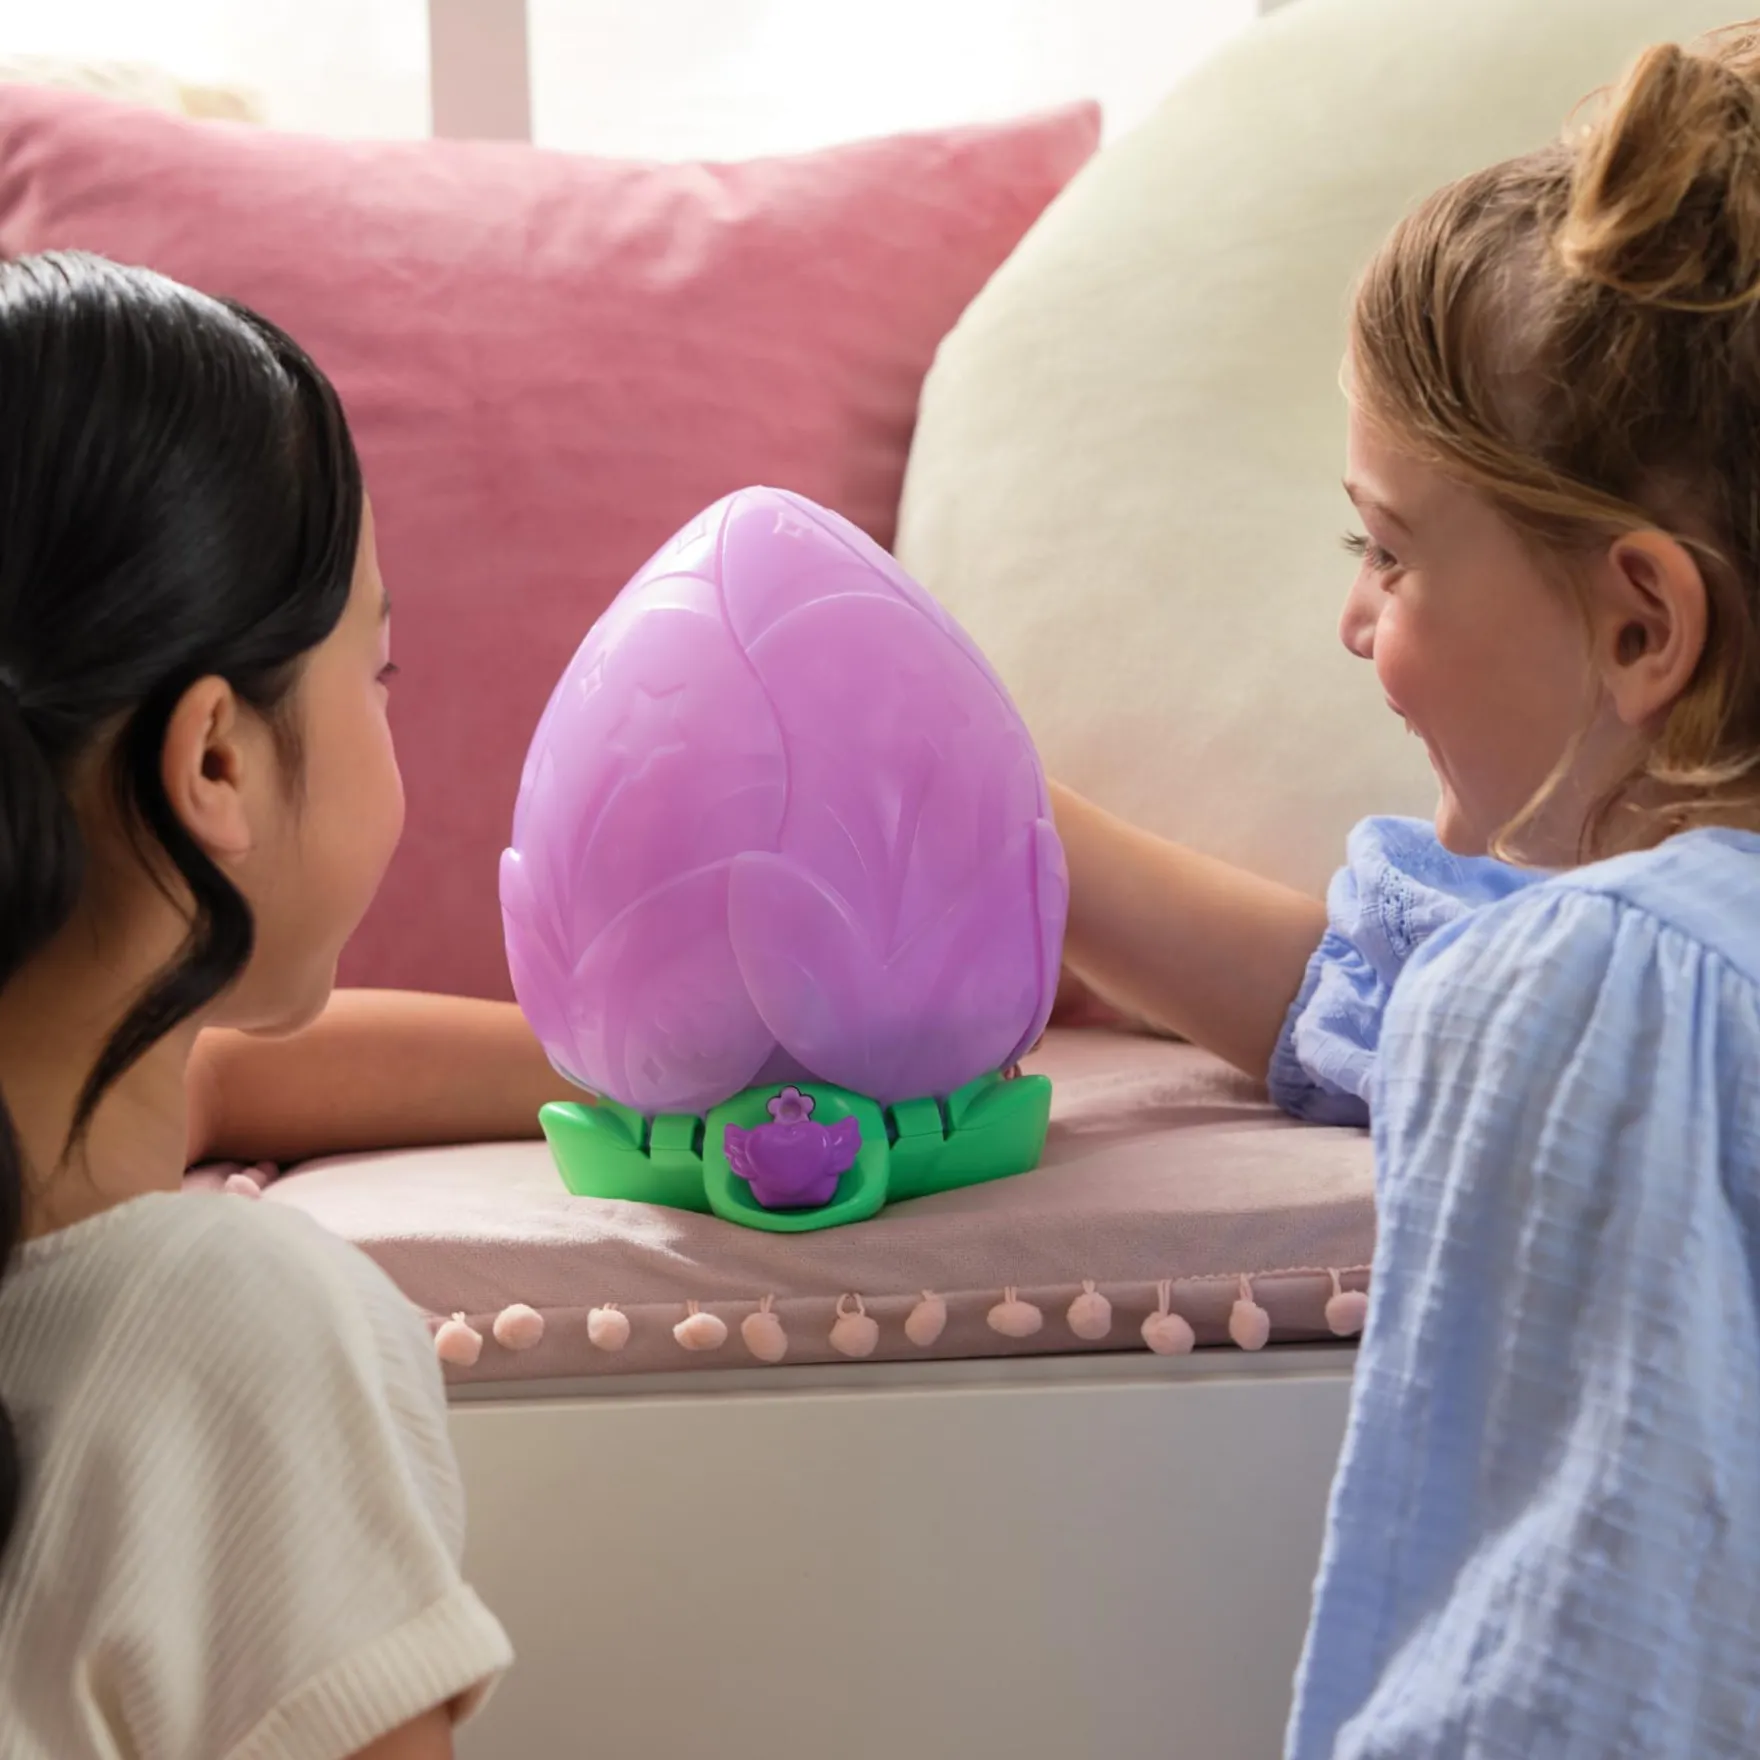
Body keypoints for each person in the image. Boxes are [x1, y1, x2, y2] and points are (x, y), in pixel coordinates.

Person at [1057, 24, 1760, 1753]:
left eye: (1386, 549)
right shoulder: (1636, 973)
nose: (1355, 620)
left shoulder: (1609, 993)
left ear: (1643, 627)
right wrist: (1029, 839)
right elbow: (1394, 992)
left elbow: (1573, 1666)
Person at [0, 252, 513, 1758]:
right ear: (215, 760)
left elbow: (209, 1075)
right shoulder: (232, 1333)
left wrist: (651, 1066)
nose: (386, 705)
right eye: (378, 668)